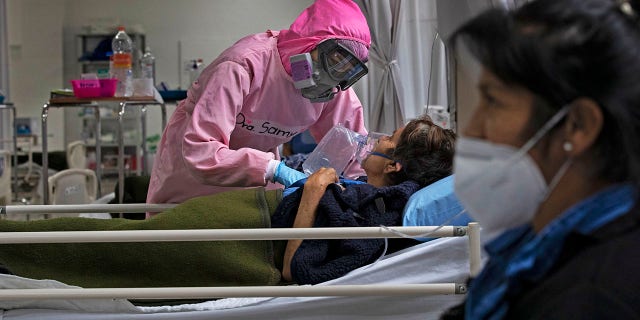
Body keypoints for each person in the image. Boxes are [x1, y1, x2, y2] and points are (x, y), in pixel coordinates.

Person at [441, 0, 640, 318]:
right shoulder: (535, 251)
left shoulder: (594, 297)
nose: (472, 129)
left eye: (493, 101)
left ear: (578, 126)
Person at [146, 0, 371, 213]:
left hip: (255, 182)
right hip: (191, 175)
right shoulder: (242, 65)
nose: (332, 75)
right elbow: (201, 151)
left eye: (345, 69)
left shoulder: (332, 87)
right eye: (333, 61)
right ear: (308, 43)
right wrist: (274, 169)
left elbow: (352, 149)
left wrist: (359, 191)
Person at [272, 115, 457, 284]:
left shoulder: (374, 217)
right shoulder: (361, 190)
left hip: (259, 223)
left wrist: (314, 190)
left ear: (392, 165)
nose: (380, 138)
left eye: (389, 138)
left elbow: (294, 270)